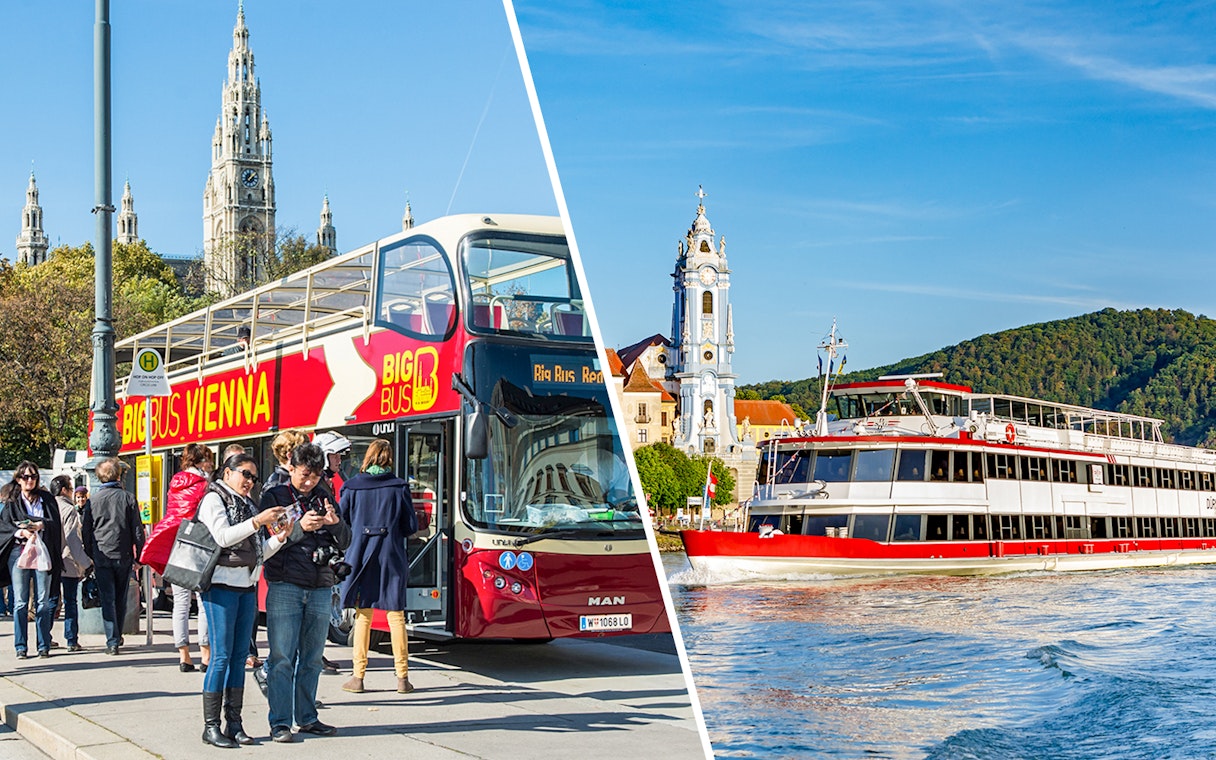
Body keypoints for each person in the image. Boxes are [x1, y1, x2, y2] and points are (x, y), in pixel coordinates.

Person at [259, 442, 349, 742]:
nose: (310, 481)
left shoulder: (325, 495)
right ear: (292, 468)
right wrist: (301, 528)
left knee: (312, 658)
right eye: (305, 475)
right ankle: (280, 722)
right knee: (282, 657)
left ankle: (308, 717)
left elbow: (346, 540)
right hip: (285, 583)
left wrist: (335, 525)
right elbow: (269, 542)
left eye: (316, 475)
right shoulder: (275, 496)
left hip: (321, 585)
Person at [197, 453, 288, 748]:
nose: (249, 481)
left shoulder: (248, 504)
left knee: (239, 658)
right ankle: (211, 726)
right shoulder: (214, 499)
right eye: (245, 474)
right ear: (227, 472)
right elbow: (223, 537)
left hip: (246, 586)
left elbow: (257, 552)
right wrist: (258, 521)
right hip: (220, 586)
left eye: (253, 477)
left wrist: (279, 539)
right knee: (221, 656)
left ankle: (234, 723)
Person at [338, 439, 418, 694]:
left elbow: (342, 522)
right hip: (391, 556)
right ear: (389, 459)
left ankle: (358, 677)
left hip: (361, 556)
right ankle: (402, 678)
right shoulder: (399, 487)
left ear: (368, 457)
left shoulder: (352, 487)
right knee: (396, 615)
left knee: (363, 615)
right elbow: (410, 526)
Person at [140, 443, 215, 672]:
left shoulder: (175, 483)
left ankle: (184, 656)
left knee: (180, 603)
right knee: (202, 601)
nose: (211, 464)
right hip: (196, 547)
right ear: (200, 462)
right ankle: (205, 654)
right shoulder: (204, 485)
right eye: (208, 460)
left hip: (175, 547)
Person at [0, 462, 65, 658]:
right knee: (20, 602)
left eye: (33, 476)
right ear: (18, 479)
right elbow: (4, 526)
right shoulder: (12, 501)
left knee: (42, 601)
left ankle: (43, 644)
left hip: (41, 551)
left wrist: (40, 525)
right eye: (26, 477)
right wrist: (20, 531)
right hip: (18, 552)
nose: (30, 480)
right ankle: (21, 646)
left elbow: (55, 523)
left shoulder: (46, 499)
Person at [82, 458, 145, 655]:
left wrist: (91, 553)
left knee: (107, 598)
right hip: (123, 554)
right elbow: (137, 530)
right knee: (120, 596)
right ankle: (117, 635)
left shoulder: (93, 501)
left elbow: (86, 531)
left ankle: (112, 640)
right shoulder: (128, 498)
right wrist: (139, 557)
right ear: (118, 475)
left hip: (102, 555)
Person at [50, 475, 91, 652]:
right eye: (71, 488)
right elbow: (73, 539)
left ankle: (44, 638)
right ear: (64, 490)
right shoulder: (69, 510)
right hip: (67, 560)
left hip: (50, 561)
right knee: (70, 601)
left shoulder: (47, 507)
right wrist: (86, 563)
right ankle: (71, 639)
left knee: (51, 600)